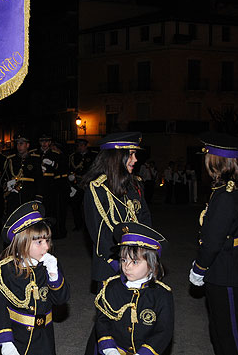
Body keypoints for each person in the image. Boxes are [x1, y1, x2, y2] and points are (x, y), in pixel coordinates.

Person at [81, 131, 152, 355]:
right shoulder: (97, 188)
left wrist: (147, 261)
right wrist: (122, 267)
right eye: (130, 155)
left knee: (133, 323)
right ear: (115, 158)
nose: (135, 160)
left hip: (139, 264)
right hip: (112, 266)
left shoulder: (135, 185)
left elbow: (146, 222)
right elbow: (100, 235)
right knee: (108, 323)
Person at [188, 132, 238, 355]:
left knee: (230, 336)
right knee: (218, 331)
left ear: (216, 160)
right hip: (222, 268)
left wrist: (199, 268)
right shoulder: (224, 189)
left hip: (226, 270)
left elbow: (214, 240)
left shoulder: (226, 194)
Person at [0, 200, 69, 355]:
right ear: (22, 242)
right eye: (39, 242)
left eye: (47, 240)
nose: (46, 247)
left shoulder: (49, 265)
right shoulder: (7, 270)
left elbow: (61, 300)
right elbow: (0, 309)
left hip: (45, 336)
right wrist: (6, 341)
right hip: (19, 338)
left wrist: (54, 275)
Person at [95, 222, 173, 355]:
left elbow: (163, 331)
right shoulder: (111, 287)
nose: (127, 266)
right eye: (124, 260)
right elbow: (102, 321)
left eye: (135, 262)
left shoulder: (162, 294)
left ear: (152, 264)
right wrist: (109, 349)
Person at [1, 134, 41, 222]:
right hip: (14, 193)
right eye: (17, 144)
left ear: (27, 145)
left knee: (28, 217)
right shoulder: (11, 159)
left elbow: (39, 178)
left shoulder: (35, 159)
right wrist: (7, 186)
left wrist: (38, 196)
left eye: (21, 144)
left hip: (29, 192)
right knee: (13, 216)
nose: (19, 146)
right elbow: (4, 177)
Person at [68, 138, 96, 232]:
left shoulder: (93, 156)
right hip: (77, 183)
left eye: (81, 145)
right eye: (78, 145)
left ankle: (89, 225)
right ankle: (78, 224)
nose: (79, 147)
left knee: (89, 205)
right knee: (75, 205)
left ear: (86, 145)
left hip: (88, 183)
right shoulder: (74, 156)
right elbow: (71, 168)